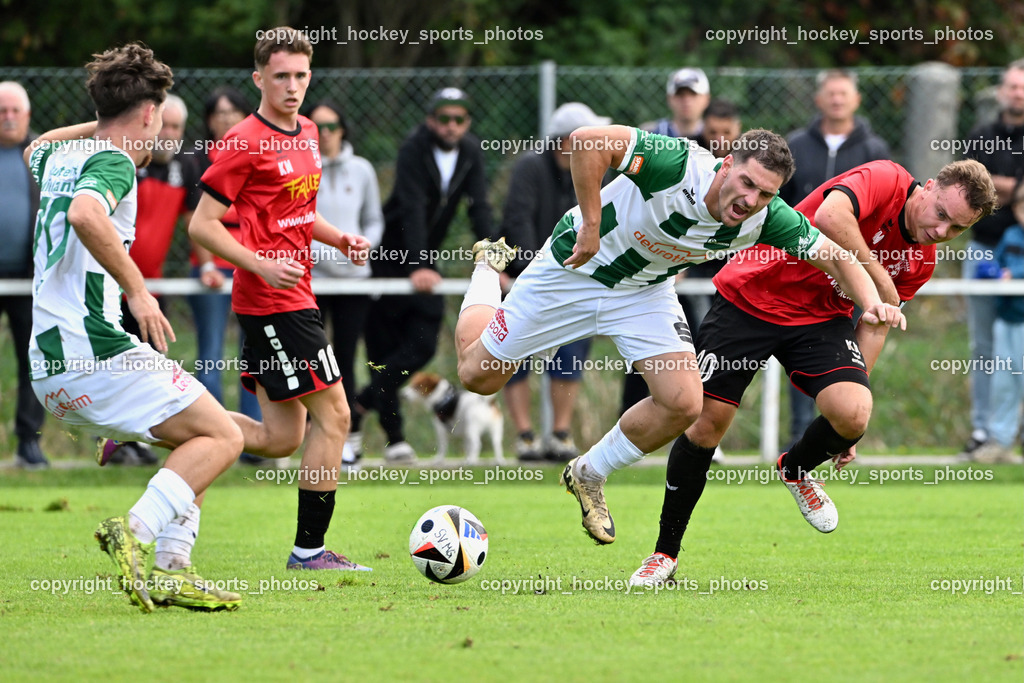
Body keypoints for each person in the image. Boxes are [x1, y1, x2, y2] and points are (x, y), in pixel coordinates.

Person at [455, 125, 906, 546]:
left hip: (642, 293)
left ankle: (589, 472)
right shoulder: (676, 164)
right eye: (747, 183)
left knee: (684, 402)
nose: (751, 200)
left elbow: (836, 255)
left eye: (766, 193)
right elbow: (587, 142)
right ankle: (484, 269)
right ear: (727, 164)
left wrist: (872, 304)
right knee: (478, 377)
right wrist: (591, 225)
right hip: (573, 270)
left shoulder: (768, 218)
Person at [629, 159, 996, 587]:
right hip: (754, 295)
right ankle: (664, 554)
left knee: (855, 412)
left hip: (820, 320)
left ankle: (796, 469)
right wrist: (878, 278)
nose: (941, 232)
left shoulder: (921, 262)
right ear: (928, 187)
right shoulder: (886, 178)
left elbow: (877, 323)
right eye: (941, 215)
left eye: (956, 230)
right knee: (707, 425)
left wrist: (850, 418)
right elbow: (829, 216)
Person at [25, 43, 244, 611]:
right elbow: (85, 214)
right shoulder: (114, 162)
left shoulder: (59, 157)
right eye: (160, 114)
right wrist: (139, 289)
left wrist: (107, 117)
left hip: (48, 367)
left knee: (198, 436)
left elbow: (36, 145)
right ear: (149, 112)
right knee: (225, 437)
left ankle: (174, 569)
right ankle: (138, 533)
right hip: (92, 349)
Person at [189, 27, 373, 571]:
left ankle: (153, 426)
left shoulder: (310, 131)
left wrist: (339, 237)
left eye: (300, 76)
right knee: (336, 415)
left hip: (298, 294)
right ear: (258, 79)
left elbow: (295, 212)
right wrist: (260, 263)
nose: (291, 87)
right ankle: (309, 551)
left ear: (310, 76)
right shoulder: (243, 141)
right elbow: (203, 226)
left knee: (279, 437)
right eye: (280, 77)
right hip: (271, 302)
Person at [349, 87, 493, 463]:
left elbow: (479, 207)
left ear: (467, 123)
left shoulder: (471, 152)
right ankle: (395, 440)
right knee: (381, 352)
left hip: (424, 259)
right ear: (431, 121)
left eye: (459, 119)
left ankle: (359, 406)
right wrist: (418, 264)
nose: (451, 126)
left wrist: (495, 258)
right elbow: (411, 208)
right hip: (393, 258)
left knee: (424, 343)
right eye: (443, 118)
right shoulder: (414, 148)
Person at [780, 69, 892, 446]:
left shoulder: (873, 149)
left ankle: (831, 435)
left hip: (855, 273)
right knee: (800, 354)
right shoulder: (796, 144)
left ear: (856, 100)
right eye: (830, 93)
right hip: (801, 267)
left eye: (844, 93)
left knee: (844, 357)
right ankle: (799, 435)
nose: (837, 100)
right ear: (819, 99)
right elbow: (781, 200)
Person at [501, 102, 610, 462]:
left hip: (577, 279)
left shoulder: (599, 169)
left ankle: (560, 434)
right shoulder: (530, 167)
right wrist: (536, 275)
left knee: (570, 356)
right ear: (564, 141)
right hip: (526, 277)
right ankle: (525, 437)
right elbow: (519, 221)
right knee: (513, 355)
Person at [111, 92, 201, 466]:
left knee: (151, 363)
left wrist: (208, 264)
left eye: (179, 127)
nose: (172, 134)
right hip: (115, 284)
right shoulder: (125, 163)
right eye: (167, 125)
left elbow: (195, 224)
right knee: (115, 362)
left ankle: (140, 439)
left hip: (155, 286)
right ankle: (115, 442)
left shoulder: (186, 168)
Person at [187, 86, 265, 464]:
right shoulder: (198, 158)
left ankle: (253, 442)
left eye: (232, 111)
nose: (225, 118)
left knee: (253, 357)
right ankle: (211, 440)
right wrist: (206, 265)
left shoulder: (257, 154)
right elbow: (196, 220)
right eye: (218, 112)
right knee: (211, 356)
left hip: (252, 266)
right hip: (211, 271)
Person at [307, 101, 384, 469]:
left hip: (355, 280)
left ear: (343, 129)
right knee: (313, 359)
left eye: (333, 125)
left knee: (346, 360)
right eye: (319, 126)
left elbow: (373, 219)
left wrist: (362, 248)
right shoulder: (303, 166)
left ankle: (349, 439)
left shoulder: (362, 169)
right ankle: (314, 436)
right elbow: (299, 220)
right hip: (315, 280)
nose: (326, 133)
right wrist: (321, 256)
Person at [960, 59, 1024, 457]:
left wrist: (999, 186)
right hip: (984, 252)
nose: (1017, 93)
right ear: (1002, 91)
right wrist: (1016, 188)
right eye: (1012, 86)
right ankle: (985, 430)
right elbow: (969, 186)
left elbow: (993, 188)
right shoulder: (981, 135)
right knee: (984, 345)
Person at [0, 81, 48, 469]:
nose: (9, 117)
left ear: (28, 115)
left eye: (15, 110)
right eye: (2, 111)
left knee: (34, 360)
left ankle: (29, 442)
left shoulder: (44, 156)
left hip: (30, 279)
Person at [971, 182, 1024, 464]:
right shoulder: (1011, 235)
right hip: (1008, 321)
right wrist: (990, 272)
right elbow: (996, 265)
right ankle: (1001, 442)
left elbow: (1013, 271)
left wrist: (1012, 274)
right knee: (1005, 381)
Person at [641, 68, 711, 139]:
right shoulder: (651, 134)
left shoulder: (714, 135)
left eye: (693, 94)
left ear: (706, 99)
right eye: (680, 94)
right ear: (669, 99)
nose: (686, 101)